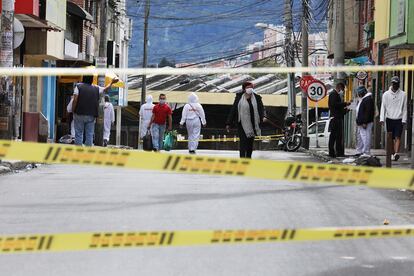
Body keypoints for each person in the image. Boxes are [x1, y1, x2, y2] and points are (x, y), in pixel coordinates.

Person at [72, 75, 118, 146]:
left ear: (83, 79)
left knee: (79, 134)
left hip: (79, 113)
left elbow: (75, 100)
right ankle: (88, 152)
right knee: (89, 134)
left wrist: (73, 110)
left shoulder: (78, 86)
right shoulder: (96, 88)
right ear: (92, 79)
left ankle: (79, 151)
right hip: (91, 115)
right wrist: (112, 82)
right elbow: (105, 89)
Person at [226, 82, 264, 158]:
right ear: (244, 89)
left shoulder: (257, 97)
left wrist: (262, 118)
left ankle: (248, 158)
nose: (250, 89)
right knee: (243, 142)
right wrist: (228, 123)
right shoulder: (239, 97)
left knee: (250, 143)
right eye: (248, 87)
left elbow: (261, 109)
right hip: (241, 124)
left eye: (251, 87)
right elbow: (233, 110)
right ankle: (242, 158)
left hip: (253, 124)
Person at [380, 76, 407, 161]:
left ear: (399, 84)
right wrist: (382, 119)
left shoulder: (403, 94)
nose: (395, 85)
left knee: (397, 137)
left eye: (396, 84)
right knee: (390, 138)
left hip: (399, 118)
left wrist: (404, 119)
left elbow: (405, 108)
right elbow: (383, 107)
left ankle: (396, 153)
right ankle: (392, 153)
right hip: (389, 118)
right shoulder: (386, 94)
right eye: (394, 83)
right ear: (391, 84)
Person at [328, 82, 350, 158]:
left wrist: (345, 110)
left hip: (337, 117)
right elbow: (335, 105)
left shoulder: (335, 94)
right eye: (342, 89)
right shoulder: (333, 94)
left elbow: (337, 108)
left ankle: (338, 152)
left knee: (338, 136)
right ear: (340, 87)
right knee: (334, 136)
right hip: (335, 119)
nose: (343, 91)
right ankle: (333, 153)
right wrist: (345, 103)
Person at [355, 86, 375, 156]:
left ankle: (366, 152)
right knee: (361, 137)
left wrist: (365, 122)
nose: (359, 95)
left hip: (365, 123)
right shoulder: (364, 99)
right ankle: (360, 151)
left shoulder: (367, 99)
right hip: (361, 122)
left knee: (366, 137)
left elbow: (368, 112)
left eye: (359, 94)